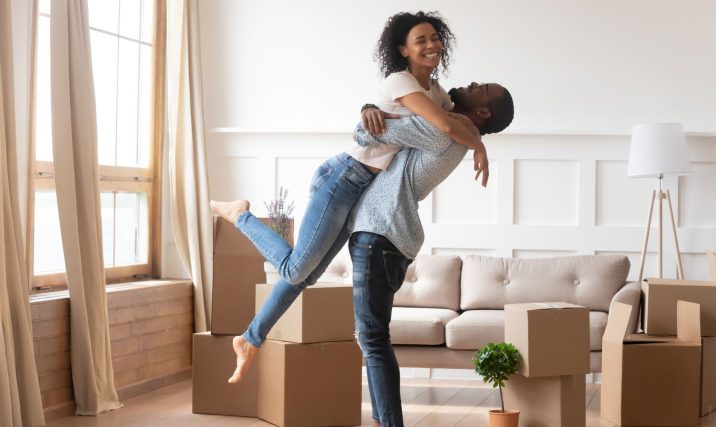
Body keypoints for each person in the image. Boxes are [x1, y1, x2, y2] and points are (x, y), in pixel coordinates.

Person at [210, 11, 490, 384]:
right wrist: (479, 148)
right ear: (403, 50)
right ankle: (240, 214)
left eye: (435, 37)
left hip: (362, 192)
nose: (431, 45)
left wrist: (471, 138)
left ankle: (249, 339)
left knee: (305, 276)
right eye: (420, 40)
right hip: (343, 178)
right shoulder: (401, 80)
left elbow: (457, 123)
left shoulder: (436, 93)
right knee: (296, 270)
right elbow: (443, 128)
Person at [349, 83, 514, 427]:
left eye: (479, 88)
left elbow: (365, 133)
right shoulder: (453, 129)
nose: (469, 84)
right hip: (389, 236)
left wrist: (368, 112)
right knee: (374, 337)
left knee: (373, 339)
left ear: (483, 112)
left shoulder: (443, 130)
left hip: (381, 233)